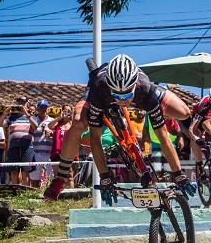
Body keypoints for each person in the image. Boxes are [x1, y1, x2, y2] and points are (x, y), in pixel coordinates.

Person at [44, 54, 195, 202]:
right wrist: (104, 177)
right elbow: (95, 138)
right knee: (77, 122)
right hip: (100, 92)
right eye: (117, 95)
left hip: (141, 92)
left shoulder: (145, 90)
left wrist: (178, 174)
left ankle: (159, 114)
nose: (122, 100)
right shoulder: (100, 87)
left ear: (134, 85)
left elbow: (163, 137)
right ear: (111, 88)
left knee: (183, 112)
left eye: (126, 95)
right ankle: (60, 179)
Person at [0, 96, 35, 185]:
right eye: (19, 102)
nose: (21, 104)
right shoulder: (11, 118)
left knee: (25, 172)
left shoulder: (30, 116)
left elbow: (35, 126)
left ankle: (26, 192)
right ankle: (15, 190)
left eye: (23, 102)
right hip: (13, 147)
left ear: (27, 104)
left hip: (27, 147)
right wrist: (4, 113)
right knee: (14, 171)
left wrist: (26, 112)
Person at [48, 104, 75, 186]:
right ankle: (58, 194)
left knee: (70, 175)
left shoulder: (72, 123)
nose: (66, 112)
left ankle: (71, 194)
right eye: (65, 110)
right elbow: (49, 126)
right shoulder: (58, 124)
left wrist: (72, 116)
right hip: (57, 152)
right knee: (57, 176)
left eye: (68, 110)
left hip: (69, 152)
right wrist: (60, 117)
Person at [29, 99, 54, 188]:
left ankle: (50, 196)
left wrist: (51, 134)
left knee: (51, 178)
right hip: (36, 152)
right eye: (41, 107)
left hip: (50, 152)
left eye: (45, 107)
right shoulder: (34, 120)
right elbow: (29, 132)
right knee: (35, 178)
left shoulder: (52, 121)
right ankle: (35, 197)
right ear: (38, 109)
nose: (43, 109)